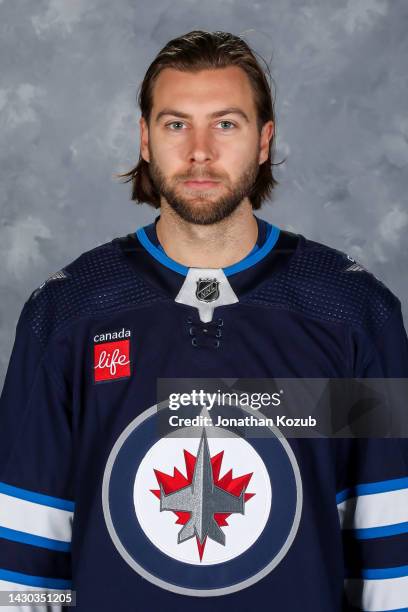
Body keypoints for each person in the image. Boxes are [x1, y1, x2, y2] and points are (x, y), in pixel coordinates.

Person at [0, 30, 407, 612]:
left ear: (264, 141)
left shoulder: (352, 312)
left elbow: (391, 535)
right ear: (144, 138)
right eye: (174, 124)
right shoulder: (67, 314)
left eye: (226, 124)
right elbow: (24, 548)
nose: (199, 151)